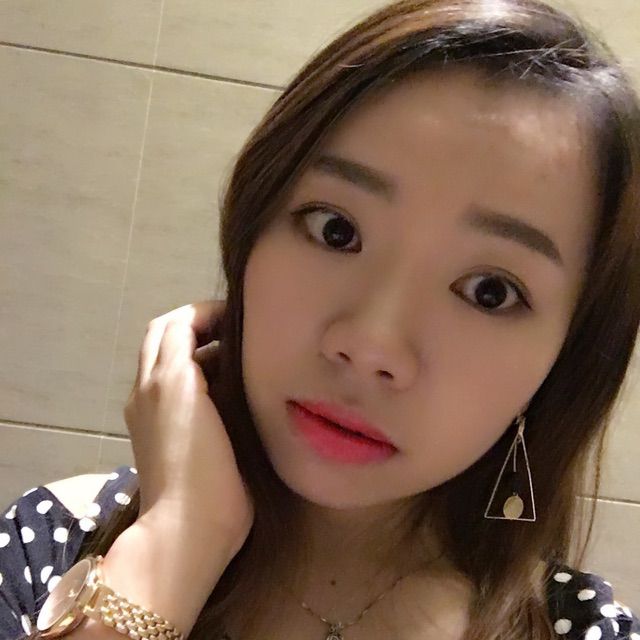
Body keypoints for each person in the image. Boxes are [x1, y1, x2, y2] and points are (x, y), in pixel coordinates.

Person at [2, 0, 640, 638]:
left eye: (489, 292)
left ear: (568, 358)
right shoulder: (53, 551)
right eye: (336, 230)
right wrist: (177, 544)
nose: (369, 345)